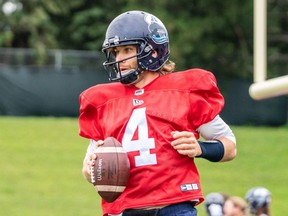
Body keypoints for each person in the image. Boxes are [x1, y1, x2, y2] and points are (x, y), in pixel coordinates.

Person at [79, 10, 237, 216]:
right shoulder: (104, 100)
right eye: (116, 52)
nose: (120, 59)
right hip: (126, 209)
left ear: (153, 51)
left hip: (174, 206)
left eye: (127, 50)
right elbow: (87, 171)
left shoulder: (183, 91)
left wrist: (200, 148)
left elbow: (230, 147)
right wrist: (93, 167)